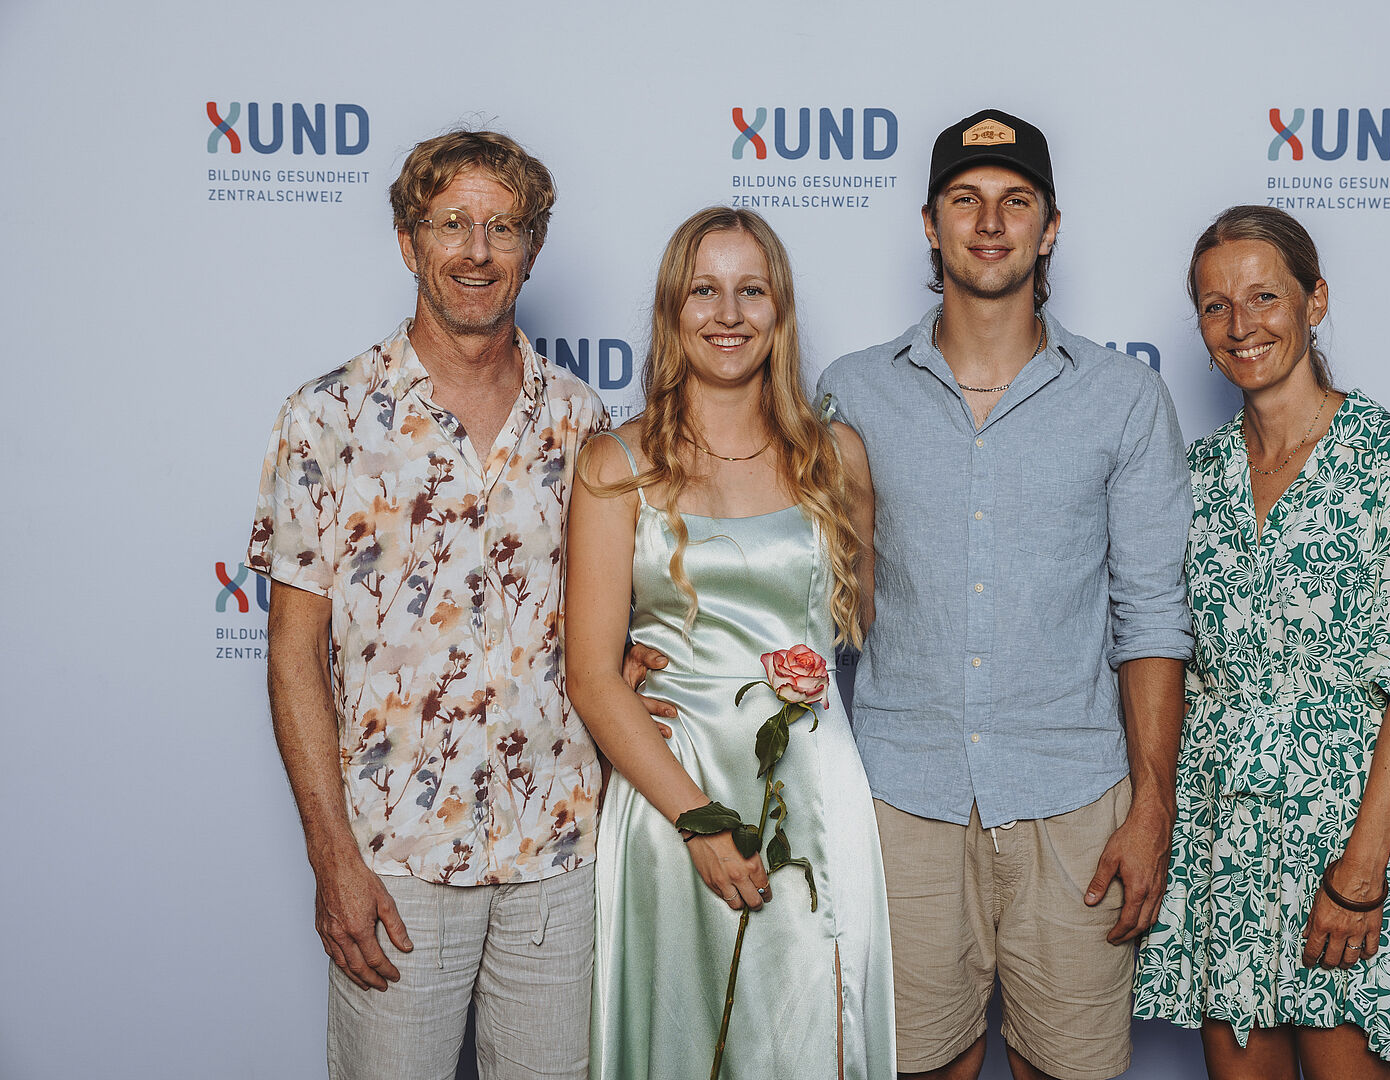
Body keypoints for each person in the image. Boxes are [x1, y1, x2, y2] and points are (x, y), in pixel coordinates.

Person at [814, 109, 1193, 1080]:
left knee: (1068, 1068)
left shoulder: (1123, 398)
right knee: (916, 1064)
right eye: (965, 200)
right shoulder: (851, 392)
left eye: (1015, 201)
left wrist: (1151, 809)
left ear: (1049, 226)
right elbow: (809, 593)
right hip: (902, 798)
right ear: (929, 223)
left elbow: (1151, 618)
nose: (989, 223)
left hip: (1075, 802)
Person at [249, 129, 613, 1079]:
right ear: (409, 242)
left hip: (557, 860)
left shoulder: (581, 420)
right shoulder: (325, 416)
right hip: (394, 861)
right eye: (452, 224)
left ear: (532, 247)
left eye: (503, 227)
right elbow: (293, 654)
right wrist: (333, 857)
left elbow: (608, 619)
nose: (476, 251)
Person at [1132, 204, 1390, 1078]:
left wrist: (1361, 872)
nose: (1240, 325)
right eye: (1214, 306)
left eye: (1263, 297)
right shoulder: (1190, 476)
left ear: (1313, 302)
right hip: (1221, 837)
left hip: (1346, 830)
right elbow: (1162, 653)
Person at [566, 206, 895, 1080]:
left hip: (815, 795)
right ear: (671, 310)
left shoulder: (836, 457)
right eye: (703, 291)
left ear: (779, 310)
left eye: (751, 291)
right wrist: (699, 822)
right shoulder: (614, 463)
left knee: (808, 1034)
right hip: (672, 797)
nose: (727, 314)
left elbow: (859, 624)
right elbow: (591, 677)